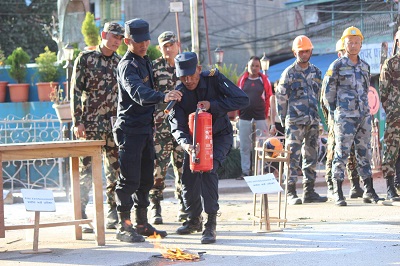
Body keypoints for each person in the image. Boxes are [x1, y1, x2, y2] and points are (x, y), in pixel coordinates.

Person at [113, 18, 182, 243]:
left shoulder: (145, 61)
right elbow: (138, 92)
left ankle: (142, 224)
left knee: (145, 180)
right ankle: (124, 227)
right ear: (127, 41)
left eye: (145, 40)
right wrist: (163, 96)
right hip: (129, 130)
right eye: (137, 41)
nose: (143, 44)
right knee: (128, 180)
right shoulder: (127, 66)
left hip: (145, 129)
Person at [168, 52, 249, 244]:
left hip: (219, 137)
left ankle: (210, 224)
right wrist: (186, 144)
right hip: (194, 142)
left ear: (198, 69)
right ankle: (194, 219)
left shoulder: (214, 79)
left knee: (208, 168)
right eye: (183, 77)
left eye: (191, 75)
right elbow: (176, 126)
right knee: (188, 178)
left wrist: (213, 105)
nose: (188, 80)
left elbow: (242, 100)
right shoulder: (179, 93)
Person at [70, 22, 125, 233]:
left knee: (115, 169)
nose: (117, 41)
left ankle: (113, 211)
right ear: (103, 35)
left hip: (114, 126)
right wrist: (78, 121)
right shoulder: (86, 59)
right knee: (86, 172)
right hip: (91, 124)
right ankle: (81, 214)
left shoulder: (120, 62)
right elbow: (75, 91)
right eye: (114, 36)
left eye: (120, 38)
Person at [323, 26, 384, 206]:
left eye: (357, 42)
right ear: (344, 44)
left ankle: (369, 190)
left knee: (365, 153)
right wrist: (336, 113)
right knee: (341, 153)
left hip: (363, 116)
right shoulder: (337, 66)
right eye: (350, 42)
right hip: (344, 117)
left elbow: (366, 91)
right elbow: (328, 94)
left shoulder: (365, 66)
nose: (354, 45)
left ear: (361, 44)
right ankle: (338, 191)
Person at [276, 35, 327, 205]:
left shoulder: (317, 73)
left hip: (312, 121)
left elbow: (320, 96)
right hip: (295, 122)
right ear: (294, 52)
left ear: (311, 51)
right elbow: (281, 98)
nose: (304, 54)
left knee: (311, 156)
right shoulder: (289, 73)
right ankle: (290, 192)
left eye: (306, 51)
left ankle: (309, 191)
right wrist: (284, 120)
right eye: (301, 51)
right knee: (292, 157)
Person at [150, 31, 187, 224]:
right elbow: (149, 95)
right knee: (159, 170)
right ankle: (156, 208)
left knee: (183, 169)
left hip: (181, 127)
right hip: (161, 127)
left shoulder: (185, 66)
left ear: (177, 45)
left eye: (171, 44)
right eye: (164, 45)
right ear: (160, 47)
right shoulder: (154, 67)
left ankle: (184, 206)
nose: (168, 48)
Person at [321, 39, 364, 201]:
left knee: (352, 152)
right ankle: (332, 187)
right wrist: (331, 122)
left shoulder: (353, 68)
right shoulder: (333, 71)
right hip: (336, 120)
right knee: (333, 152)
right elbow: (325, 100)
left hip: (350, 118)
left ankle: (355, 185)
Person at [237, 56, 272, 178]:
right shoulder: (242, 80)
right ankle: (245, 171)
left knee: (262, 146)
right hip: (244, 117)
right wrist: (238, 114)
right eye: (252, 65)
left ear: (260, 67)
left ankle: (260, 171)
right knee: (245, 146)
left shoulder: (264, 80)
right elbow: (237, 97)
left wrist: (268, 117)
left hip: (260, 117)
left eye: (257, 66)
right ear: (248, 66)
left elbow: (269, 98)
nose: (254, 68)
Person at [379, 29, 400, 201]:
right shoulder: (391, 63)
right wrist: (393, 109)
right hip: (396, 115)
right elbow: (383, 93)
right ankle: (390, 188)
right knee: (391, 149)